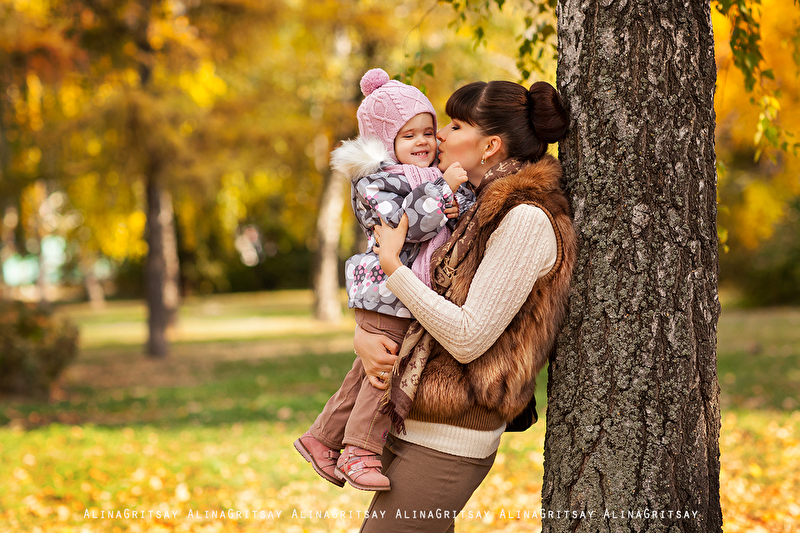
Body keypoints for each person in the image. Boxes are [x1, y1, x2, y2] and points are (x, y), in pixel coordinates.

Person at [352, 79, 577, 532]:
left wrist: (392, 266)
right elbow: (423, 289)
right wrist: (365, 334)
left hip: (451, 434)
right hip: (408, 415)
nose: (438, 134)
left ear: (490, 146)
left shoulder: (525, 219)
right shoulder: (466, 205)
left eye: (455, 126)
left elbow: (468, 337)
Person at [294, 68, 474, 492]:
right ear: (384, 140)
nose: (423, 142)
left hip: (404, 291)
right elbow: (403, 228)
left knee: (365, 371)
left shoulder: (429, 174)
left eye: (428, 132)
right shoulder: (374, 181)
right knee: (385, 373)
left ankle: (321, 438)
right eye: (408, 135)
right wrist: (444, 191)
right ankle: (359, 451)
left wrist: (453, 199)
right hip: (386, 291)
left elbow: (457, 213)